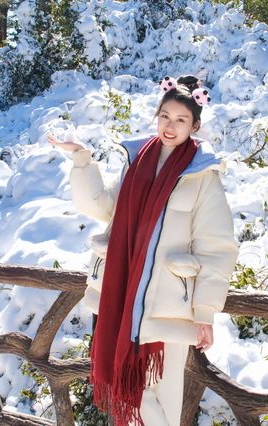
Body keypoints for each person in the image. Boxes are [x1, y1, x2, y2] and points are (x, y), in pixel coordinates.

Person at [48, 75, 238, 426]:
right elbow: (105, 207)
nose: (170, 126)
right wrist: (82, 162)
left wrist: (205, 311)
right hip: (122, 295)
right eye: (165, 116)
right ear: (157, 115)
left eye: (181, 120)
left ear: (194, 125)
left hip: (169, 302)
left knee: (164, 398)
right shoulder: (137, 160)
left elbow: (217, 247)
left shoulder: (202, 174)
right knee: (135, 396)